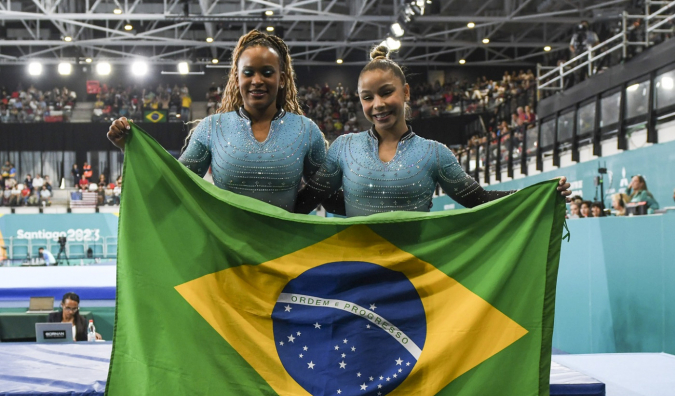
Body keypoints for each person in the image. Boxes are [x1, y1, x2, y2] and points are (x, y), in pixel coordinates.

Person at [295, 45, 571, 217]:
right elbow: (313, 200)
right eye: (367, 97)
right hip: (358, 277)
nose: (377, 104)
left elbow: (480, 200)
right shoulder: (344, 147)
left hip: (414, 282)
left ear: (405, 92)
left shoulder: (434, 153)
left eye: (386, 93)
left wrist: (541, 193)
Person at [107, 30, 329, 213]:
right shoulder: (212, 128)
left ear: (281, 79)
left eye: (267, 72)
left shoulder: (306, 131)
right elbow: (174, 185)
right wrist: (131, 149)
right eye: (248, 73)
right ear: (237, 78)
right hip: (226, 259)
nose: (257, 81)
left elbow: (327, 193)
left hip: (286, 256)